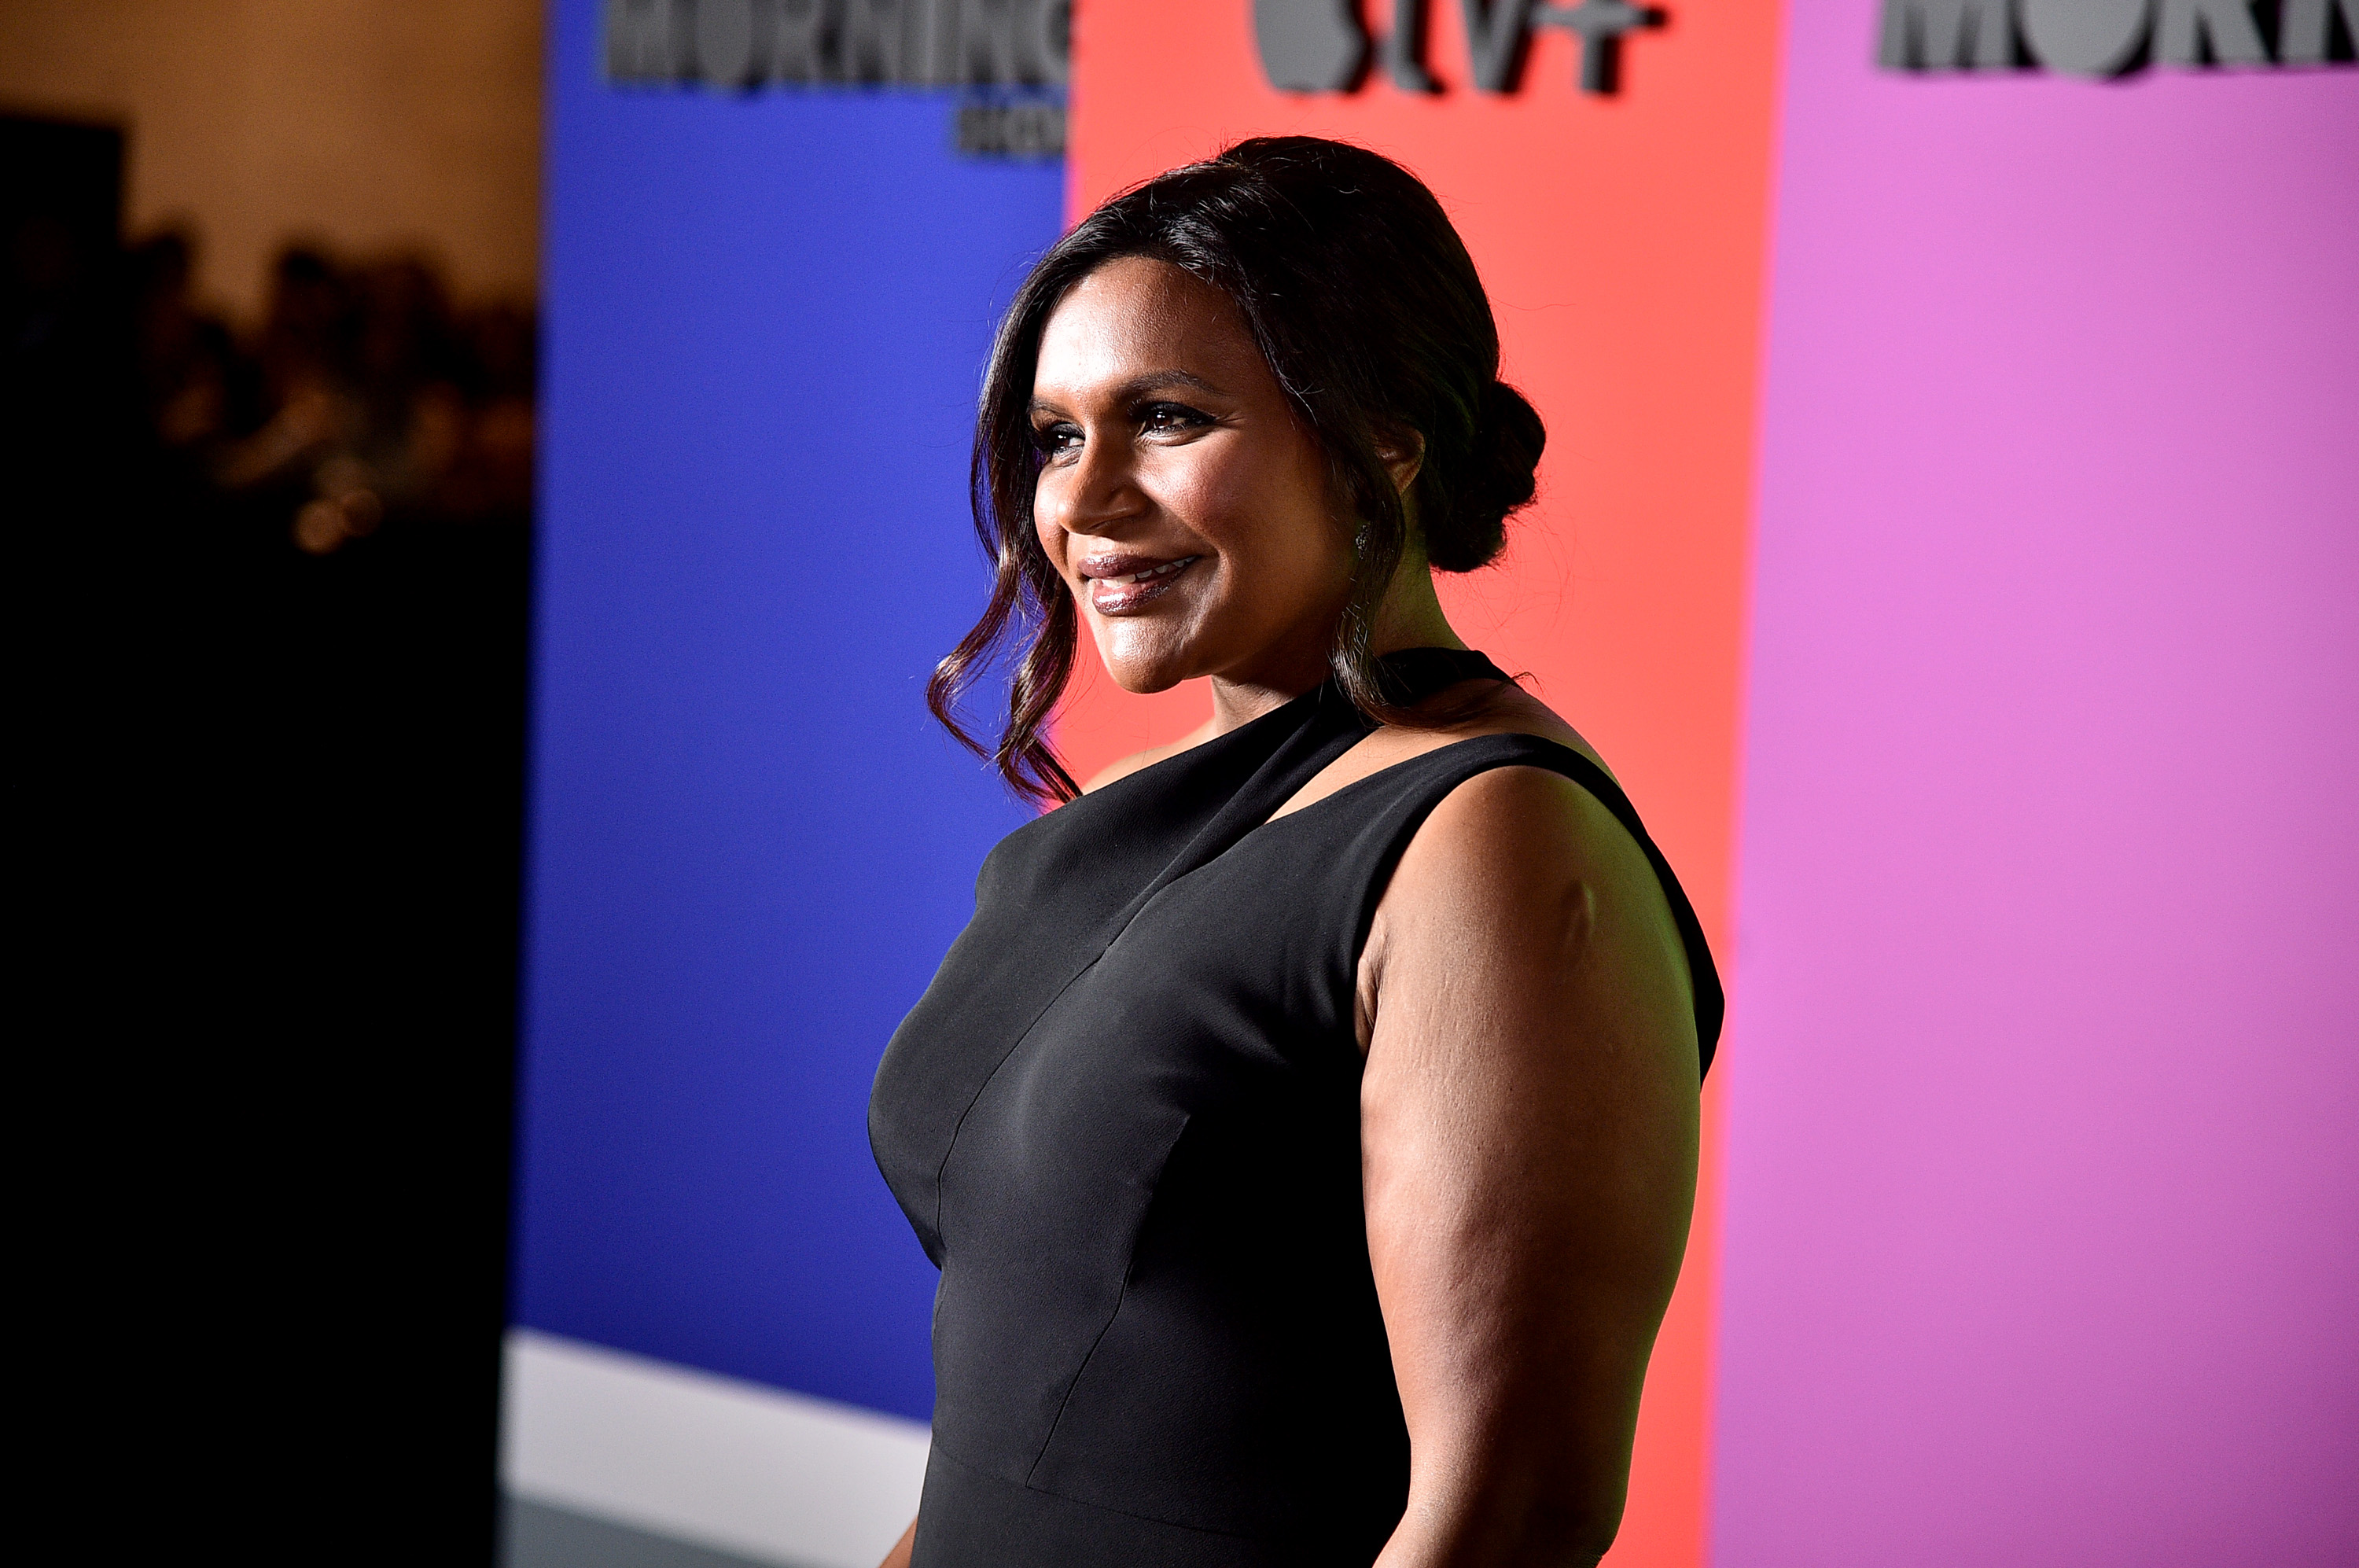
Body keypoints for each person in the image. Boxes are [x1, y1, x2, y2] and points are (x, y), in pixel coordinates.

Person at [869, 136, 1721, 1568]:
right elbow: (1018, 1432)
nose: (1082, 502)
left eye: (1167, 419)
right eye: (1058, 437)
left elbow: (1509, 1515)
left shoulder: (1490, 839)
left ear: (1383, 433)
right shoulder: (1111, 815)